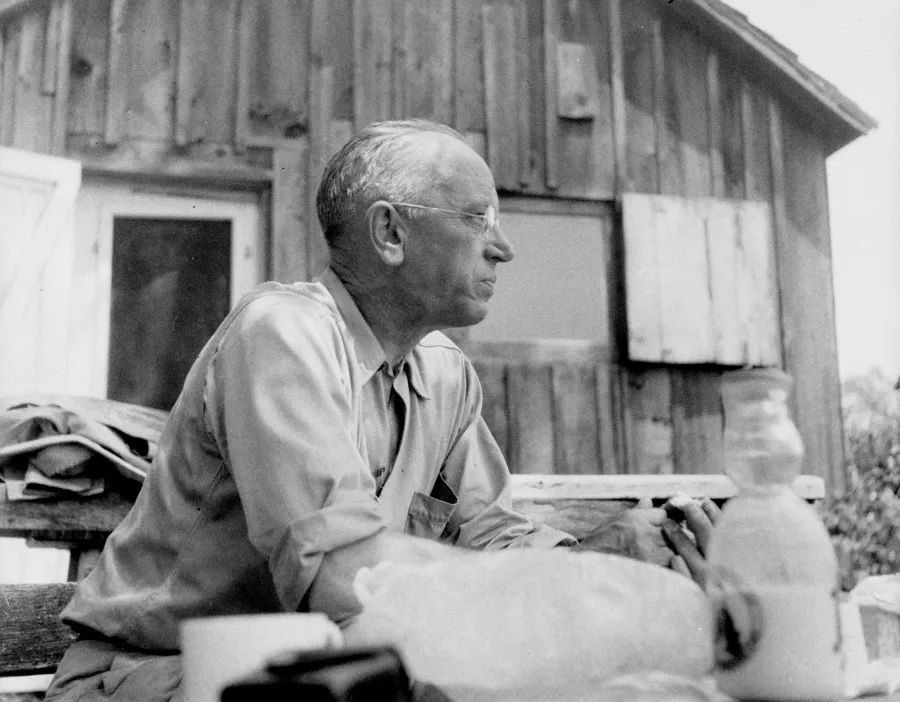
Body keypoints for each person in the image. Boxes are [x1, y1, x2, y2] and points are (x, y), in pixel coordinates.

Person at [45, 119, 713, 702]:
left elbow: (494, 538)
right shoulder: (282, 333)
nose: (503, 248)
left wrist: (612, 553)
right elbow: (343, 580)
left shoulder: (444, 374)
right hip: (151, 676)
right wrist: (581, 598)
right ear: (391, 231)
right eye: (477, 219)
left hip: (315, 670)